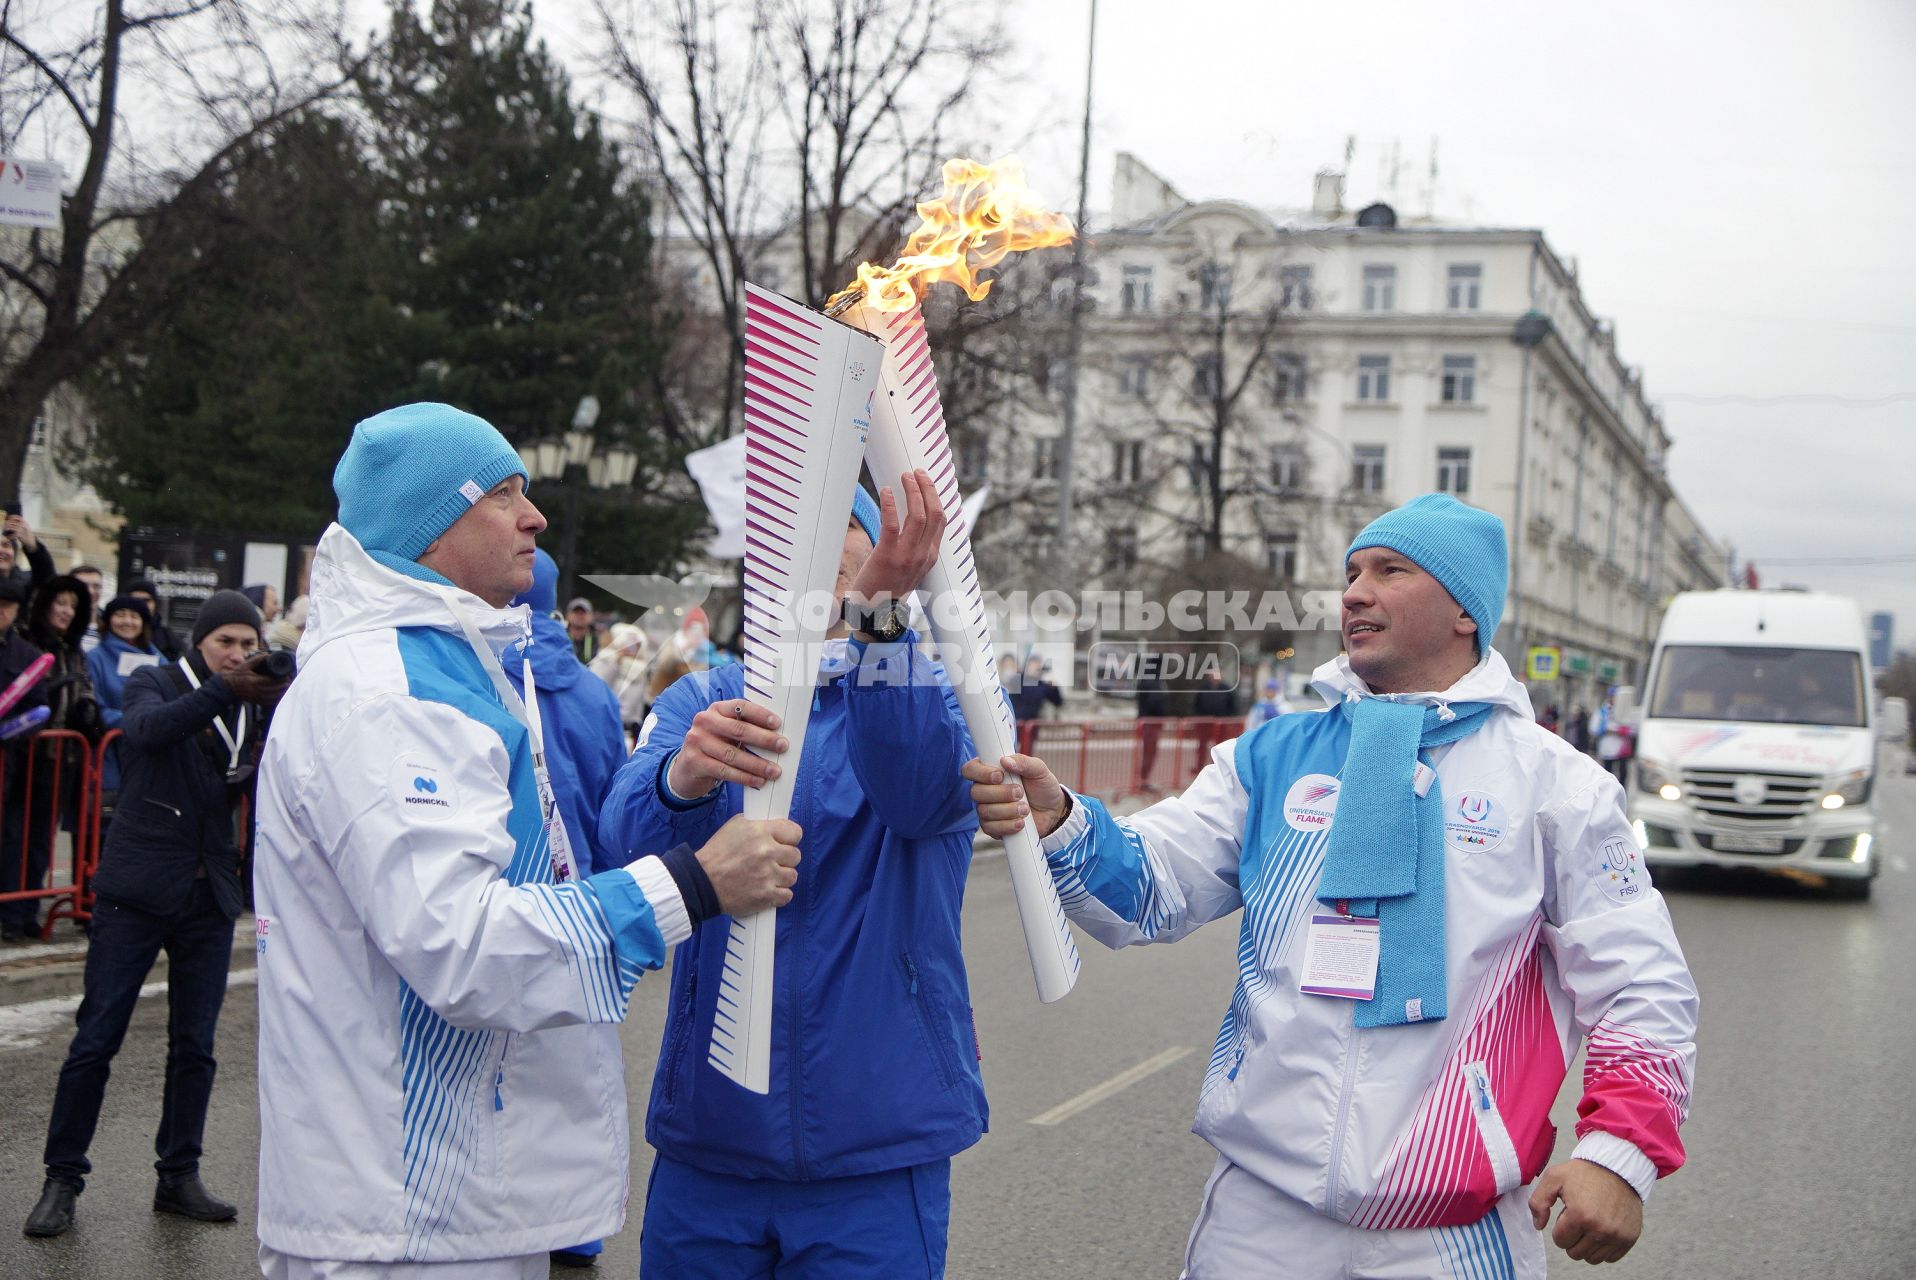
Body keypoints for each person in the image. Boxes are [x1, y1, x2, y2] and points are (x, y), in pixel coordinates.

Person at [964, 493, 1698, 1277]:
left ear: (1463, 611)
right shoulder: (1271, 757)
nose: (1354, 592)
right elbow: (1152, 890)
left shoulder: (1557, 786)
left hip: (1452, 1233)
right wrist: (1065, 821)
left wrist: (1620, 1153)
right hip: (1260, 1217)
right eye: (1351, 572)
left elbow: (1639, 984)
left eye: (1391, 570)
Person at [251, 402, 802, 1280]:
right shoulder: (389, 692)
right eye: (504, 494)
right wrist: (691, 885)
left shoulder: (450, 663)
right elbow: (462, 945)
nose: (535, 518)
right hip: (400, 1214)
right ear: (431, 529)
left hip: (452, 1200)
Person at [599, 471, 985, 1280]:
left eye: (842, 556)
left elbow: (922, 795)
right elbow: (622, 849)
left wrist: (879, 626)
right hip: (713, 1141)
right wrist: (683, 780)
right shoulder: (705, 698)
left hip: (873, 1146)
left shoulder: (940, 694)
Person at [22, 591, 289, 1239]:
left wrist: (276, 694)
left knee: (195, 1047)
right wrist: (229, 688)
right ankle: (62, 1178)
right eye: (225, 641)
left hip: (207, 896)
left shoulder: (255, 704)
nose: (238, 653)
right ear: (200, 642)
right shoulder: (155, 680)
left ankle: (178, 1175)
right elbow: (145, 733)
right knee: (96, 1038)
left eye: (247, 643)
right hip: (135, 891)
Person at [502, 548, 628, 1272]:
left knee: (494, 1072)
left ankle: (511, 1217)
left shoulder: (473, 673)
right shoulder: (590, 693)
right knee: (576, 1073)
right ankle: (576, 1226)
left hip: (507, 899)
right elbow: (614, 807)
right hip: (582, 905)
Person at [0, 575, 100, 941]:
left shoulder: (76, 651)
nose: (66, 612)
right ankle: (11, 910)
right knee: (15, 833)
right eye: (60, 604)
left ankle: (28, 909)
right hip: (29, 754)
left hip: (64, 759)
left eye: (73, 606)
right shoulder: (30, 643)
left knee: (41, 837)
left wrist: (89, 712)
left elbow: (85, 689)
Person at [0, 576, 52, 942]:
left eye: (6, 606)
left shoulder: (28, 657)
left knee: (11, 838)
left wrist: (9, 731)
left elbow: (39, 709)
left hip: (11, 766)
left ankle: (10, 915)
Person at [84, 594, 164, 805]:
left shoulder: (159, 659)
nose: (127, 621)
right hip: (108, 755)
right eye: (120, 615)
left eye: (134, 616)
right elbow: (93, 705)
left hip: (148, 758)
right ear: (109, 620)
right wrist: (135, 722)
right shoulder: (94, 658)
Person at [587, 622, 654, 739]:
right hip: (602, 726)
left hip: (630, 730)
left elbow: (641, 704)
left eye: (635, 645)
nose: (630, 649)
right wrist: (615, 661)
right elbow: (593, 687)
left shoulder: (642, 670)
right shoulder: (604, 662)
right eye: (627, 644)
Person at [123, 579, 184, 662]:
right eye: (136, 600)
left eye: (146, 601)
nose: (141, 605)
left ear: (155, 604)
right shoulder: (115, 635)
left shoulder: (168, 639)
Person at [0, 511, 54, 599]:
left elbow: (48, 581)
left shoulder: (25, 583)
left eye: (6, 545)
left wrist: (33, 547)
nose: (0, 550)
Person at [71, 565, 106, 653]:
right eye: (83, 586)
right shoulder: (61, 625)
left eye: (96, 586)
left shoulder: (109, 626)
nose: (90, 591)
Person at [565, 595, 600, 663]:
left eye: (583, 612)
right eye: (576, 612)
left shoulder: (600, 639)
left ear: (592, 616)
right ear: (567, 615)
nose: (580, 615)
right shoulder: (559, 637)